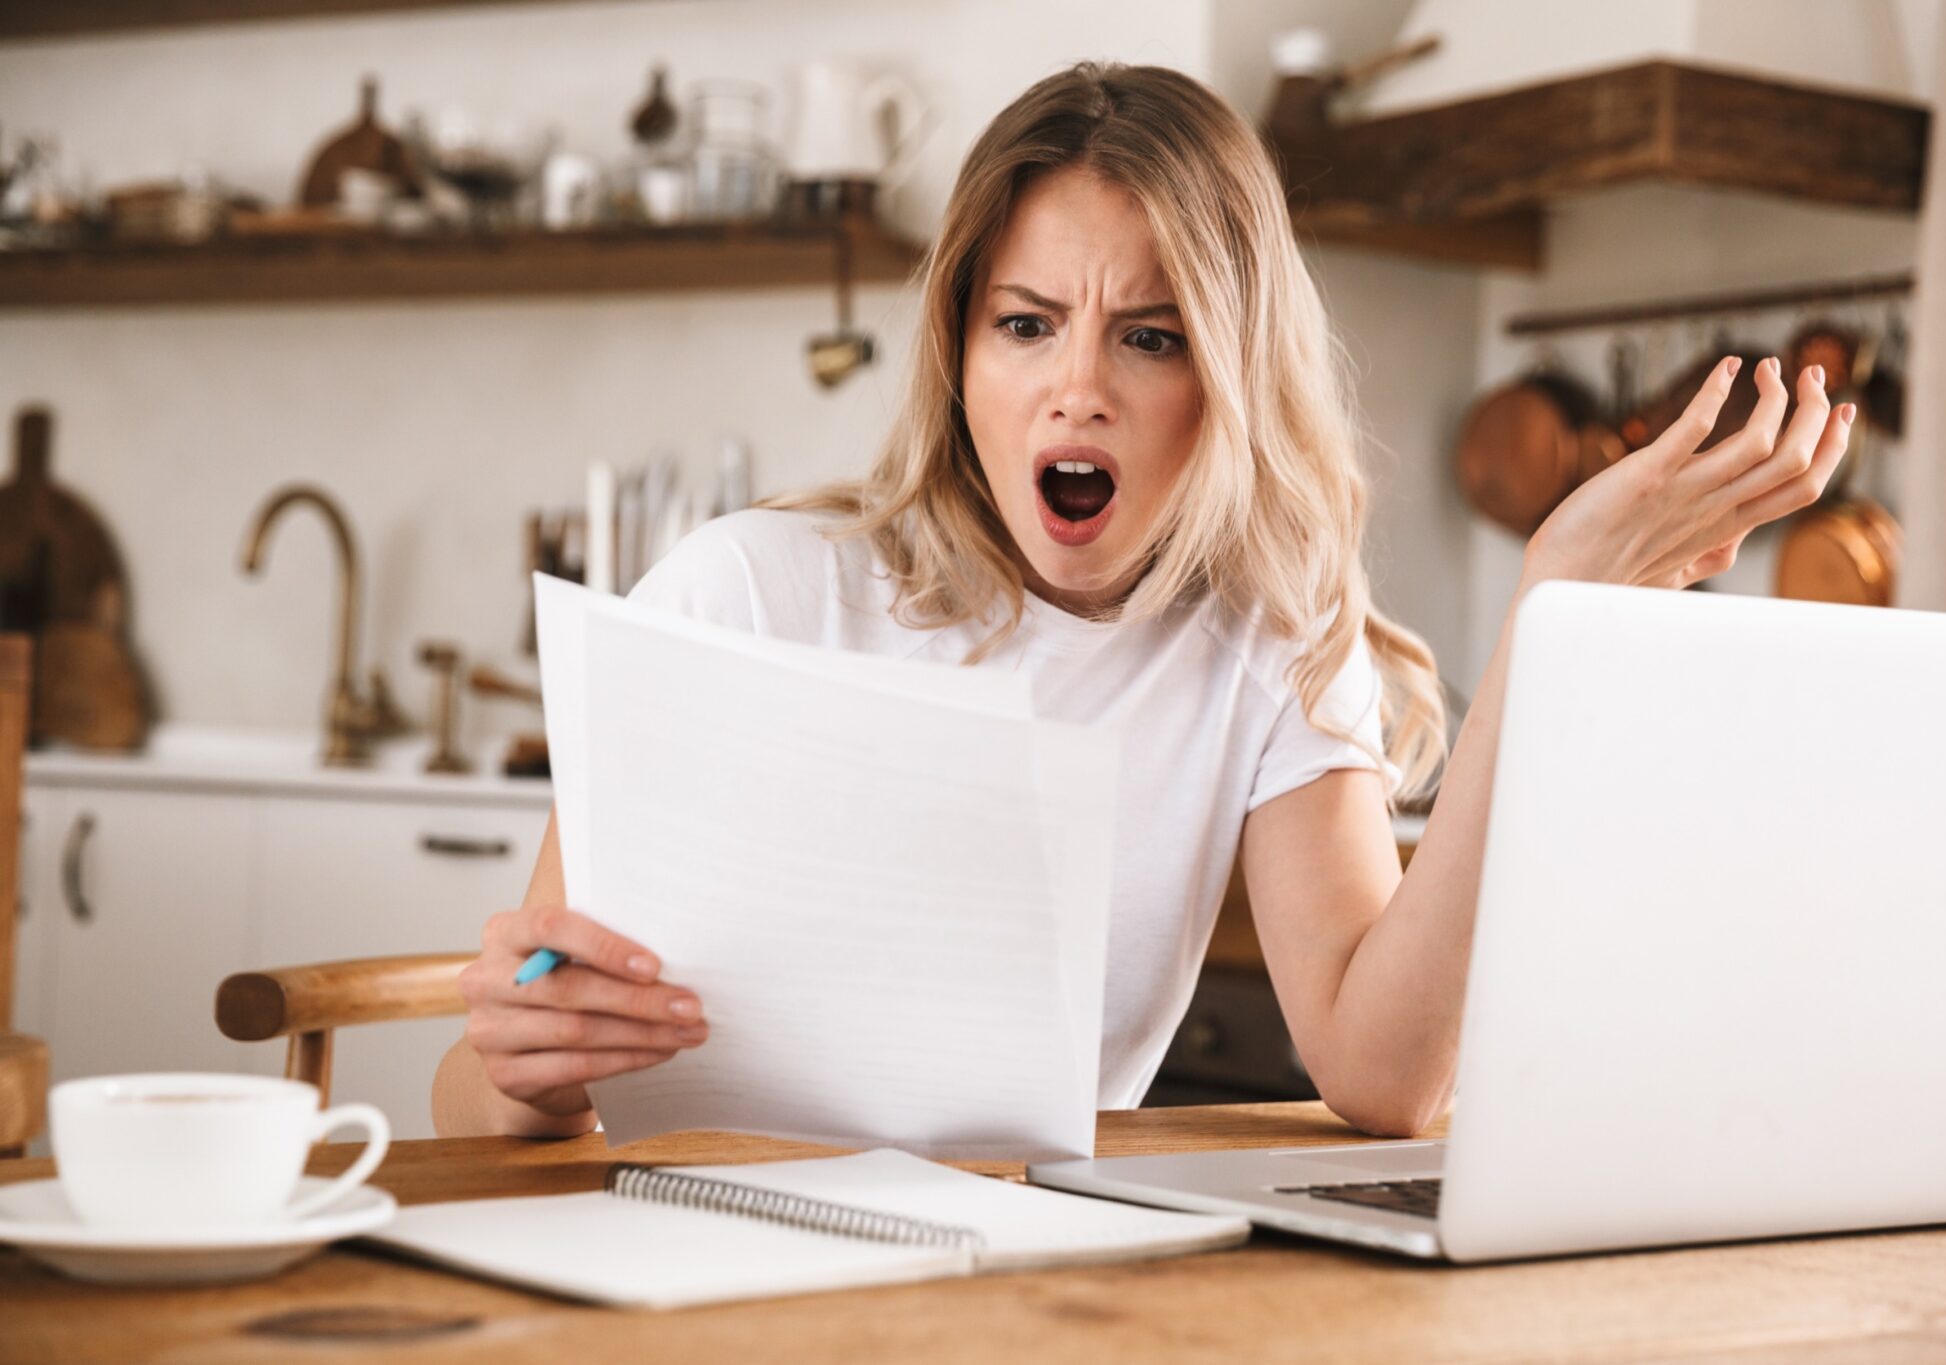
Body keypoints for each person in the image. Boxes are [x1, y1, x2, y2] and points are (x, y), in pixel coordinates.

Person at [430, 63, 1852, 1140]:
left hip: (1029, 1292)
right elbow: (465, 1097)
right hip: (703, 1274)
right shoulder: (741, 593)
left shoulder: (1268, 639)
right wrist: (527, 1068)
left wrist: (1552, 631)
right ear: (962, 354)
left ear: (1229, 378)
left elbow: (1387, 1075)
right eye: (1027, 323)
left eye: (1152, 336)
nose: (1079, 386)